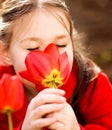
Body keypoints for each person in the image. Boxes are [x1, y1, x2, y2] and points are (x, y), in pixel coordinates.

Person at [0, 0, 112, 130]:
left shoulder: (91, 82)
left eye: (61, 45)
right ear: (5, 53)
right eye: (33, 47)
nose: (51, 55)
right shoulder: (3, 85)